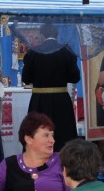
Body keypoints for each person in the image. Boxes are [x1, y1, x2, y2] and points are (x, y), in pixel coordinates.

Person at [21, 23, 81, 151]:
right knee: (63, 135)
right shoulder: (67, 51)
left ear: (42, 35)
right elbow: (75, 78)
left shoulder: (33, 52)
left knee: (38, 131)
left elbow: (26, 79)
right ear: (57, 35)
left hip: (39, 101)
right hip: (61, 101)